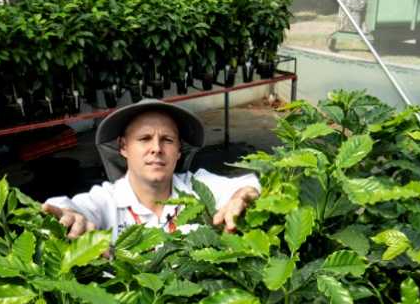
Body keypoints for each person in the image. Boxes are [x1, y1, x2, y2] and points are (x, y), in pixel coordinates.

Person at [41, 99, 260, 240]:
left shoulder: (197, 187)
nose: (156, 148)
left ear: (179, 151)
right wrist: (69, 217)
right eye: (144, 138)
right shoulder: (108, 200)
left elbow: (245, 184)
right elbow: (71, 207)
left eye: (167, 140)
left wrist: (242, 196)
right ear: (124, 147)